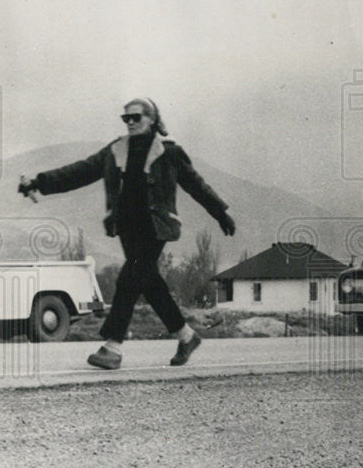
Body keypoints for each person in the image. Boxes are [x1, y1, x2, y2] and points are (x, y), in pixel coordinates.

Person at [18, 98, 236, 370]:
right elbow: (79, 172)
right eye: (126, 119)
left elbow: (196, 184)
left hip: (156, 226)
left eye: (136, 117)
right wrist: (39, 182)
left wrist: (220, 212)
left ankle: (113, 346)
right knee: (149, 282)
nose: (130, 122)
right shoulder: (115, 150)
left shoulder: (169, 153)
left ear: (152, 120)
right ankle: (186, 336)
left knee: (129, 279)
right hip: (127, 227)